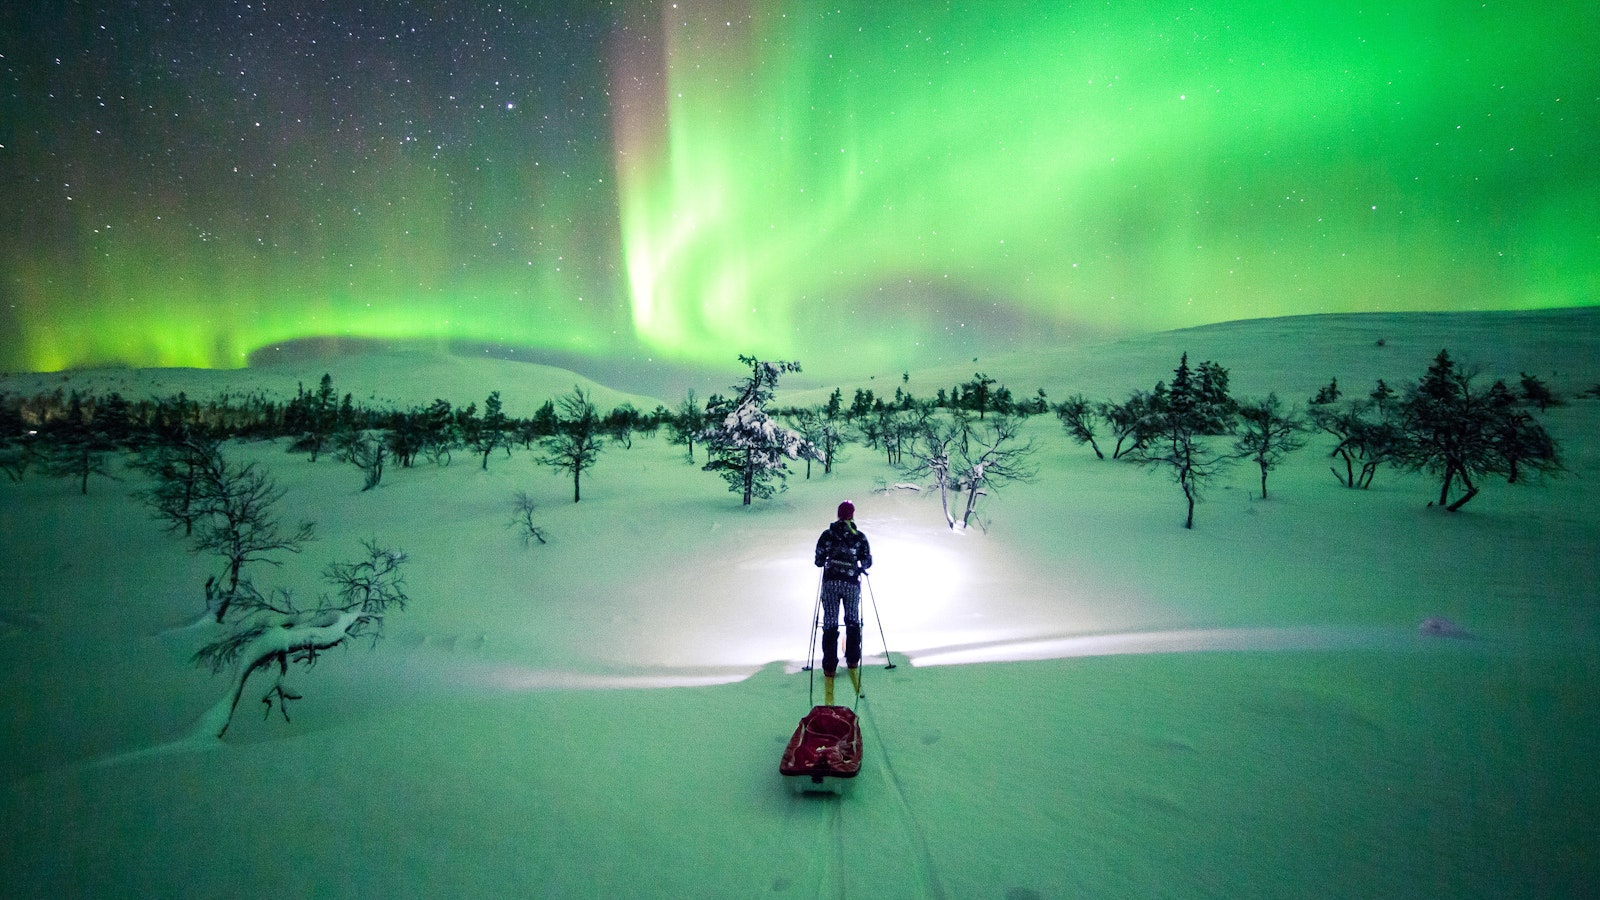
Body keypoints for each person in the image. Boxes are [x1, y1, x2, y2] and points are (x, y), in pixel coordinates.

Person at [813, 500, 872, 705]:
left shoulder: (827, 535)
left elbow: (819, 560)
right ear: (852, 515)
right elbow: (867, 562)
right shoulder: (858, 537)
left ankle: (829, 665)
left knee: (830, 623)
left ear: (838, 515)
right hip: (850, 585)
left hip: (830, 584)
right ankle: (853, 660)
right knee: (852, 621)